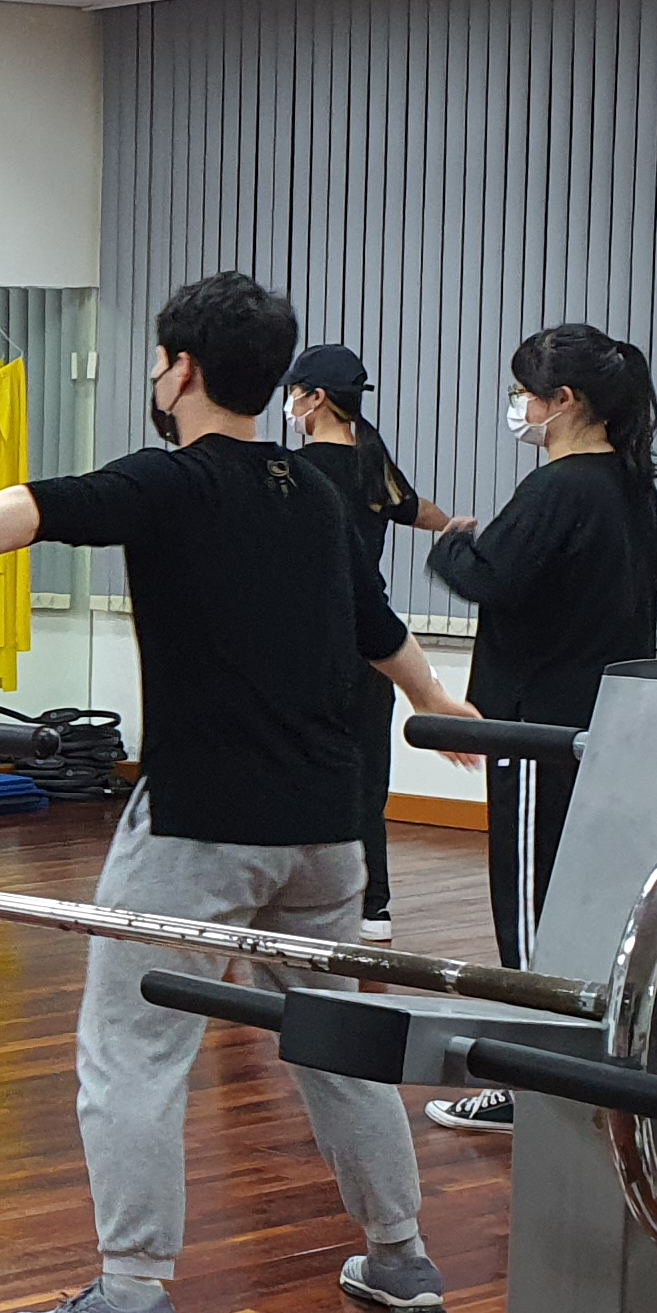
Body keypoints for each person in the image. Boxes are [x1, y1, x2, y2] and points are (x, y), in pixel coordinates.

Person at [0, 273, 491, 1313]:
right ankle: (400, 1255)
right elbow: (377, 626)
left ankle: (133, 1293)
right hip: (326, 829)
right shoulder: (314, 493)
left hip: (202, 823)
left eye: (160, 360)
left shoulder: (170, 481)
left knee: (130, 1047)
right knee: (334, 1040)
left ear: (182, 371)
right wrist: (439, 704)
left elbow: (44, 505)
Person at [418, 323, 657, 1133]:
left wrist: (450, 545)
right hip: (608, 732)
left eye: (525, 393)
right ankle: (580, 1066)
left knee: (531, 910)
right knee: (587, 898)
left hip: (534, 736)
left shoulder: (557, 489)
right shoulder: (623, 488)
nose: (518, 407)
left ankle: (528, 1082)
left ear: (564, 401)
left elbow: (494, 580)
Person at [281, 345, 456, 944]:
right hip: (372, 643)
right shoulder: (370, 462)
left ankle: (295, 900)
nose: (291, 404)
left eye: (295, 393)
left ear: (315, 398)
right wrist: (455, 526)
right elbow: (417, 510)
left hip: (309, 644)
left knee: (299, 769)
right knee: (366, 776)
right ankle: (373, 905)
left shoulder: (292, 472)